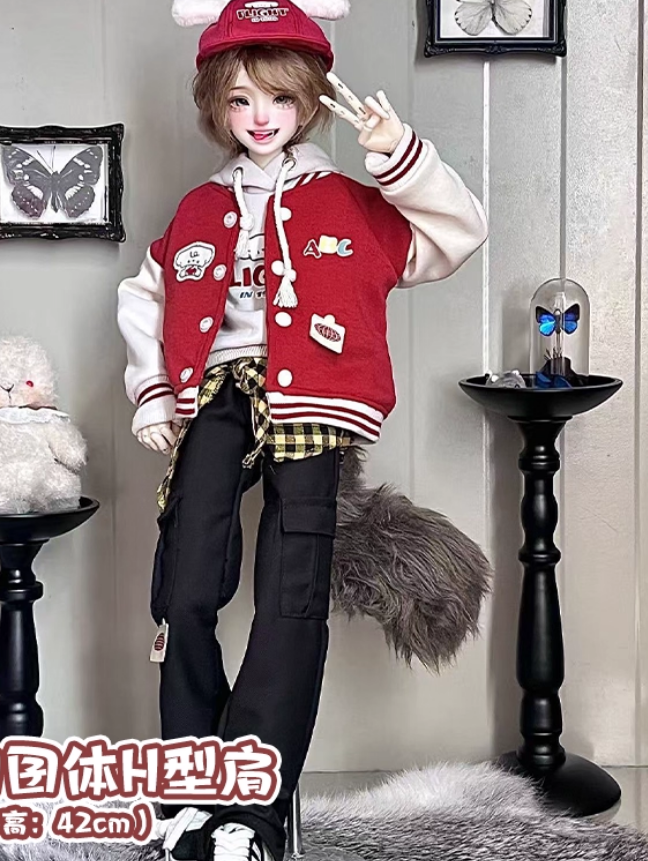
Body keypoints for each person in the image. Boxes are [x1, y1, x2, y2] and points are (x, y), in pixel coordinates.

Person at [117, 2, 488, 859]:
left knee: (292, 595)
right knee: (184, 583)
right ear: (215, 105)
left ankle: (255, 806)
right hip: (213, 394)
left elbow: (455, 233)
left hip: (316, 400)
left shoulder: (351, 202)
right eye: (240, 99)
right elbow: (146, 293)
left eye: (280, 99)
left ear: (311, 101)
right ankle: (190, 786)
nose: (260, 118)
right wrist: (152, 393)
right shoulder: (198, 208)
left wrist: (399, 157)